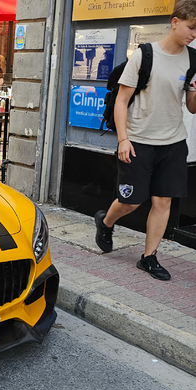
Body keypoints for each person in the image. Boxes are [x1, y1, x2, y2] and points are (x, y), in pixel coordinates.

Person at [94, 0, 196, 281]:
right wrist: (123, 139)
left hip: (173, 141)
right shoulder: (145, 55)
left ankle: (148, 257)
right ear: (175, 22)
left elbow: (191, 106)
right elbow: (122, 100)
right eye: (191, 27)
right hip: (139, 140)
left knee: (162, 201)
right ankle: (106, 221)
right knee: (131, 201)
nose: (193, 34)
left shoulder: (193, 59)